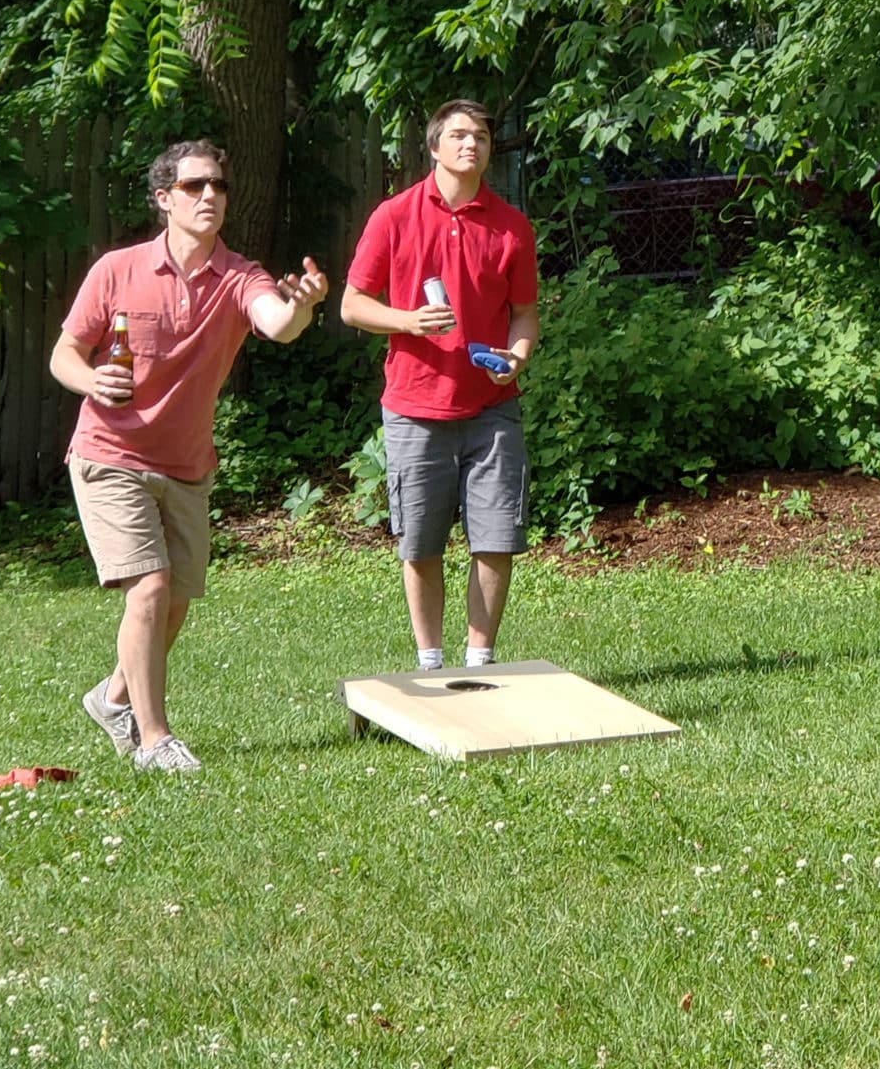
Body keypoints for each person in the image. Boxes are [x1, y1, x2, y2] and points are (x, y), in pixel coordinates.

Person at [50, 139, 328, 772]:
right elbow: (64, 354)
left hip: (186, 463)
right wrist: (92, 381)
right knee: (148, 588)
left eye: (219, 188)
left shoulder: (239, 276)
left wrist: (303, 305)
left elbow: (276, 322)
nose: (210, 197)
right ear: (163, 198)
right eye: (196, 186)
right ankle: (154, 739)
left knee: (173, 601)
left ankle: (113, 696)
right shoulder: (117, 270)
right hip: (110, 450)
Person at [340, 99, 539, 671]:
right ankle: (430, 661)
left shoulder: (510, 226)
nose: (470, 144)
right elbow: (353, 305)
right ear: (434, 147)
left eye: (479, 135)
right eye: (457, 135)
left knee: (497, 538)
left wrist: (517, 356)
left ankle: (480, 660)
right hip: (415, 406)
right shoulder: (394, 216)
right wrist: (406, 321)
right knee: (421, 543)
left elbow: (524, 313)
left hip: (492, 405)